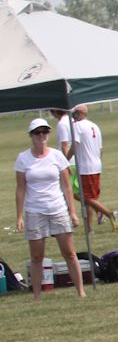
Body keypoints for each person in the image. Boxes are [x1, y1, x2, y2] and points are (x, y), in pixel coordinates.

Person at [14, 117, 86, 300]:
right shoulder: (23, 158)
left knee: (69, 253)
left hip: (58, 209)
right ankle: (37, 297)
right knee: (37, 256)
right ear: (31, 136)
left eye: (44, 132)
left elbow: (67, 186)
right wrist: (19, 216)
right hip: (34, 211)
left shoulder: (57, 156)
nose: (41, 136)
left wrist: (72, 212)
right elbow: (21, 189)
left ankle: (81, 292)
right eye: (37, 133)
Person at [60, 105, 118, 231]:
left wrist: (65, 160)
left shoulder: (77, 126)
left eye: (75, 113)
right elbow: (101, 149)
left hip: (86, 167)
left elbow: (74, 146)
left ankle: (109, 213)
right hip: (95, 165)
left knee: (86, 197)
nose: (73, 116)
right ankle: (89, 228)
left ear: (81, 113)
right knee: (90, 197)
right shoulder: (94, 126)